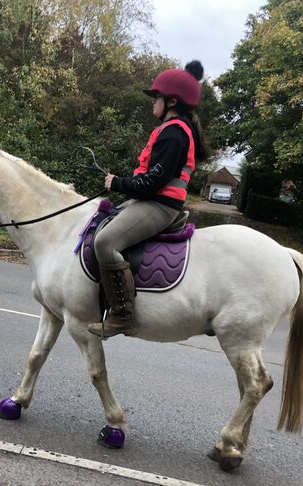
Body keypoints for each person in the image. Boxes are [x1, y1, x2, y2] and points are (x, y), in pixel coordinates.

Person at [87, 60, 210, 339]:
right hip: (154, 201)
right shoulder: (171, 130)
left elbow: (152, 183)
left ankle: (122, 315)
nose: (153, 102)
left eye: (157, 97)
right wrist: (121, 183)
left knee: (105, 242)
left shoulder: (175, 133)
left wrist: (118, 182)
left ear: (172, 101)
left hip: (160, 206)